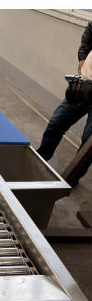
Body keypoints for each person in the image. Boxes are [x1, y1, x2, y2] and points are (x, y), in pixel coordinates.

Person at [36, 20, 92, 185]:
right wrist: (82, 57)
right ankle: (41, 159)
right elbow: (90, 29)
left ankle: (71, 179)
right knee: (56, 122)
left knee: (88, 142)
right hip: (84, 83)